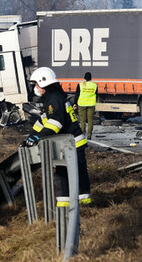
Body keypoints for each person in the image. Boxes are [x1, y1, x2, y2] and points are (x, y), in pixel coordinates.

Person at [23, 67, 91, 206]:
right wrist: (31, 137)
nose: (35, 87)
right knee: (63, 173)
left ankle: (84, 204)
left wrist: (38, 138)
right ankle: (64, 204)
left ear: (43, 83)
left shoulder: (54, 99)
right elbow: (43, 122)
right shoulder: (51, 99)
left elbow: (56, 123)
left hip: (73, 143)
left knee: (75, 173)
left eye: (36, 84)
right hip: (67, 144)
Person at [74, 72, 97, 139]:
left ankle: (83, 134)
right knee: (90, 120)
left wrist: (75, 103)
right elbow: (96, 94)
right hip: (91, 104)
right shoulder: (94, 85)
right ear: (91, 78)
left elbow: (77, 95)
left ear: (84, 77)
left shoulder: (80, 85)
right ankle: (89, 135)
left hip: (82, 104)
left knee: (83, 120)